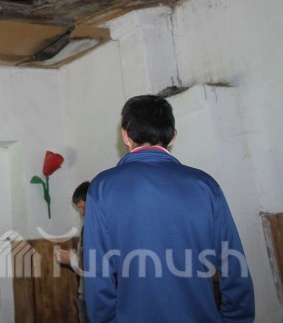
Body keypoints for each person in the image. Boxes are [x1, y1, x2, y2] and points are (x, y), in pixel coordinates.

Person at [83, 95, 255, 322]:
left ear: (125, 135)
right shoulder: (205, 185)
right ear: (173, 136)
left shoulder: (102, 189)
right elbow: (233, 264)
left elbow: (98, 276)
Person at [56, 181, 90, 323]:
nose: (81, 213)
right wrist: (74, 256)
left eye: (83, 207)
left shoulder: (100, 228)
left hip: (96, 297)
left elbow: (96, 267)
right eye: (79, 209)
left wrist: (73, 259)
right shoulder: (87, 227)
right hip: (85, 295)